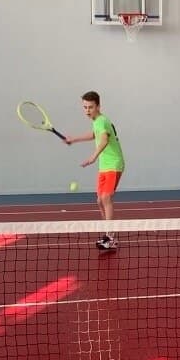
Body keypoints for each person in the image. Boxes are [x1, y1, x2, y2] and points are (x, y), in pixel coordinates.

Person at [64, 91, 125, 250]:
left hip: (113, 163)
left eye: (90, 107)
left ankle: (110, 237)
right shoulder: (97, 122)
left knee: (106, 198)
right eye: (85, 107)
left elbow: (103, 140)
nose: (87, 110)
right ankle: (109, 234)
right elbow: (94, 135)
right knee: (99, 200)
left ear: (98, 106)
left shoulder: (102, 121)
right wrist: (74, 139)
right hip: (104, 166)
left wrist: (93, 157)